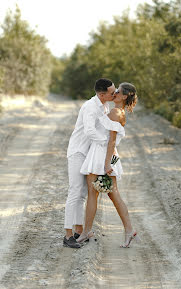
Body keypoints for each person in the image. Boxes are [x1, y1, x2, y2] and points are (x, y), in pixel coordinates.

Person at [77, 82, 139, 248]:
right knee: (114, 193)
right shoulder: (120, 112)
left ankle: (86, 231)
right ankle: (128, 230)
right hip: (112, 155)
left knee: (93, 192)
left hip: (103, 154)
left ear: (124, 96)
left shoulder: (115, 112)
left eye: (117, 91)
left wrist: (106, 165)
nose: (115, 93)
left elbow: (111, 141)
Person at [63, 78, 116, 248]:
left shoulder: (104, 106)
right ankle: (68, 235)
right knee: (75, 191)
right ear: (102, 94)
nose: (114, 94)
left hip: (89, 154)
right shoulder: (90, 107)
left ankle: (79, 230)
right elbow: (90, 130)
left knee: (83, 194)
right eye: (111, 92)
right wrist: (106, 144)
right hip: (78, 152)